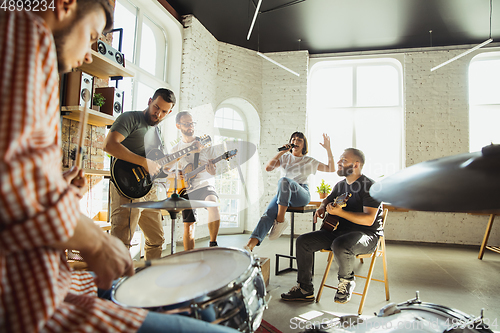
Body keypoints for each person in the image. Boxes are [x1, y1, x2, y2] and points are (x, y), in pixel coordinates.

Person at [0, 2, 238, 332]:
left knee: (199, 302)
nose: (87, 55)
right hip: (42, 300)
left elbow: (27, 179)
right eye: (93, 36)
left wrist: (63, 190)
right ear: (65, 5)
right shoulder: (26, 34)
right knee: (211, 320)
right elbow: (18, 185)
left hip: (68, 269)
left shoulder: (157, 132)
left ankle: (151, 285)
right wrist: (97, 244)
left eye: (163, 110)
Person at [280, 148, 383, 304]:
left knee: (340, 244)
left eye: (343, 160)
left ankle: (347, 281)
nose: (339, 162)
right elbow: (327, 200)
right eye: (339, 159)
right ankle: (305, 289)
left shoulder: (370, 187)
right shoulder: (340, 185)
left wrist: (340, 213)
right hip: (341, 233)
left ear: (356, 164)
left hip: (367, 236)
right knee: (303, 241)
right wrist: (322, 207)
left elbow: (369, 220)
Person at [104, 88, 179, 260]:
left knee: (156, 239)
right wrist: (144, 162)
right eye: (156, 107)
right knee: (121, 242)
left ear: (170, 112)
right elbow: (109, 145)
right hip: (126, 188)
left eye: (164, 111)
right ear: (149, 100)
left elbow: (157, 163)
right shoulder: (130, 118)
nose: (158, 113)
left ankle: (149, 279)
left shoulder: (156, 131)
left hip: (147, 188)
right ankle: (117, 284)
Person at [244, 132, 335, 251]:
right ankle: (249, 246)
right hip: (283, 194)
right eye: (293, 139)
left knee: (284, 181)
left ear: (304, 145)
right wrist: (281, 152)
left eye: (299, 140)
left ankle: (280, 220)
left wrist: (328, 149)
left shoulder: (309, 160)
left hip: (301, 194)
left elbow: (331, 169)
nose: (295, 141)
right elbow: (268, 168)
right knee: (268, 214)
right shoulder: (285, 157)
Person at [171, 111, 220, 250]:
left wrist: (212, 171)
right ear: (178, 126)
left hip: (204, 185)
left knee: (213, 205)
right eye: (186, 124)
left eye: (192, 123)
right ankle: (189, 257)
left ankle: (213, 244)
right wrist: (177, 174)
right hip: (186, 189)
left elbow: (215, 171)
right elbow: (168, 171)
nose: (190, 127)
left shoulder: (205, 145)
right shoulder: (176, 149)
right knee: (188, 225)